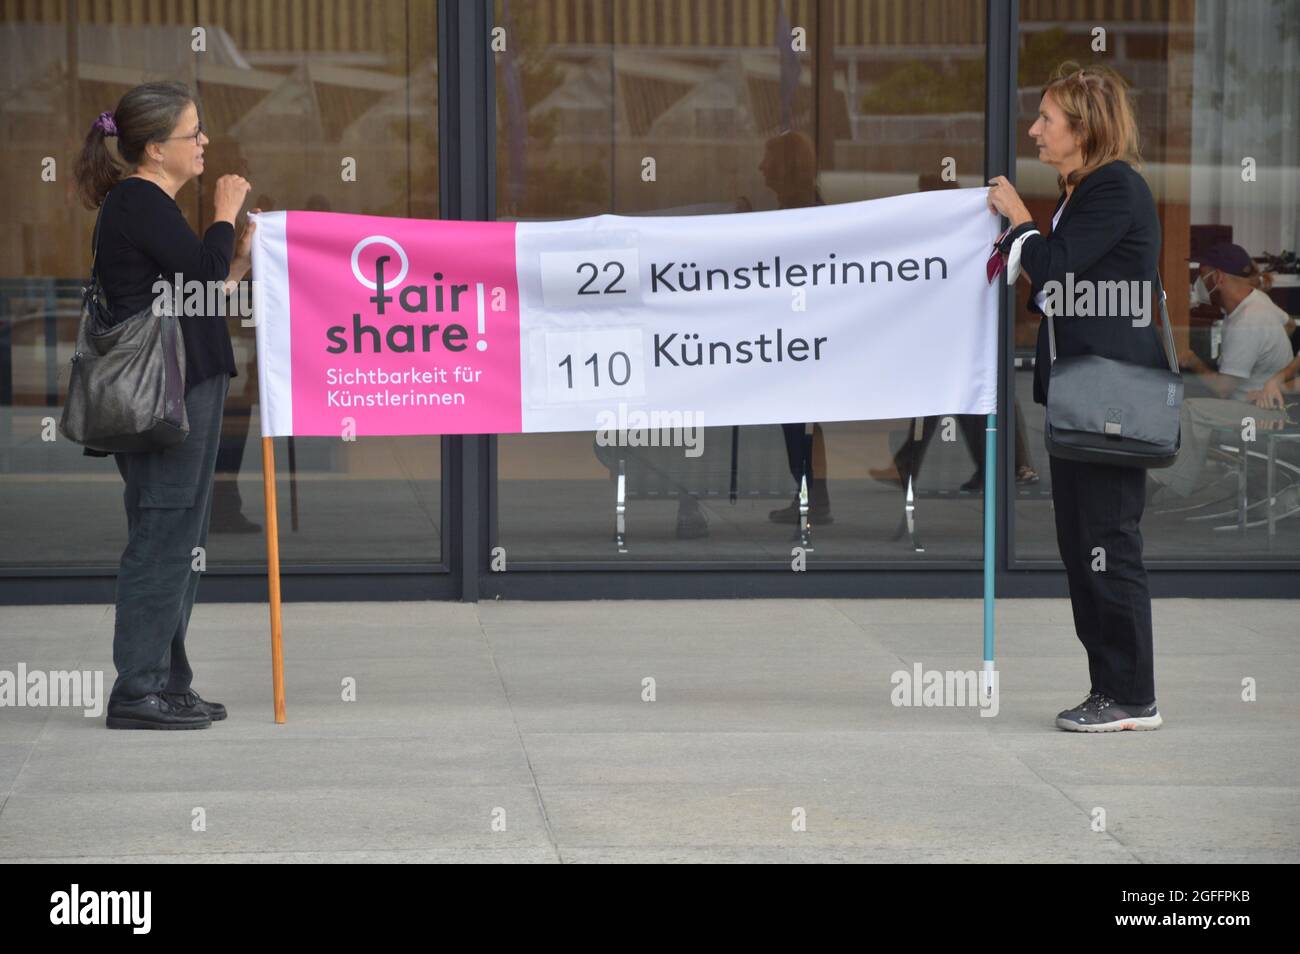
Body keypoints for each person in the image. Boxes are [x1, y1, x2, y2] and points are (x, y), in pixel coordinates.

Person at [987, 62, 1168, 731]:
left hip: (1110, 397)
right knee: (1082, 543)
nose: (1034, 130)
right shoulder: (1087, 192)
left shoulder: (1114, 189)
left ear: (1083, 128)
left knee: (1107, 542)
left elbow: (1056, 271)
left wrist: (1021, 223)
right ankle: (1109, 689)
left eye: (1046, 120)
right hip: (1084, 395)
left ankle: (1132, 696)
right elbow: (1056, 287)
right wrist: (1029, 238)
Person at [73, 80, 256, 729]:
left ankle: (168, 681)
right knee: (162, 532)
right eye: (192, 133)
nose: (204, 141)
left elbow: (196, 288)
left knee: (182, 535)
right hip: (162, 394)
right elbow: (197, 278)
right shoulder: (140, 201)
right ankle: (138, 688)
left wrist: (232, 262)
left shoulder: (149, 205)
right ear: (154, 149)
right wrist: (225, 213)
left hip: (184, 386)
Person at [1148, 243, 1293, 498]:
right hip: (1264, 402)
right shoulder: (1257, 301)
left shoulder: (1248, 322)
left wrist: (1194, 362)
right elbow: (1290, 325)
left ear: (1218, 277)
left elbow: (1224, 389)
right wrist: (1269, 365)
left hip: (1260, 414)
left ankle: (1167, 484)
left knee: (1190, 409)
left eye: (1201, 274)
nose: (1197, 282)